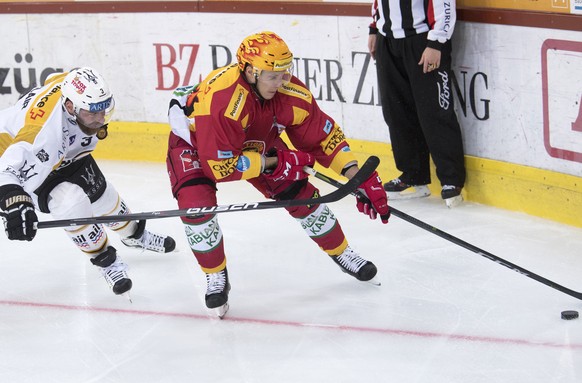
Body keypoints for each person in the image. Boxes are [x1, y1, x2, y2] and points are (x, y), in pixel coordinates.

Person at [167, 31, 390, 317]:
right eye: (273, 76)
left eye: (286, 73)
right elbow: (220, 168)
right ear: (250, 71)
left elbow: (322, 136)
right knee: (197, 209)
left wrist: (357, 177)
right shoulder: (223, 102)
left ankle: (342, 251)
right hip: (198, 146)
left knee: (300, 195)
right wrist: (273, 162)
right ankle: (215, 275)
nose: (283, 81)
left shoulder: (286, 90)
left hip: (255, 142)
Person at [0, 67, 176, 297]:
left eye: (104, 111)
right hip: (27, 161)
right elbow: (6, 170)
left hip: (66, 152)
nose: (100, 119)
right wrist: (14, 201)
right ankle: (106, 260)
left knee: (104, 198)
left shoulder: (73, 87)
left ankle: (133, 235)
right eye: (92, 114)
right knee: (71, 204)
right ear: (70, 107)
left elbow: (54, 79)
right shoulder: (41, 135)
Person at [368, 0, 466, 207]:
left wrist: (437, 42)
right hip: (388, 40)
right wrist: (374, 28)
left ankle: (451, 180)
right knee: (396, 111)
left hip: (423, 41)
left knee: (435, 112)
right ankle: (414, 175)